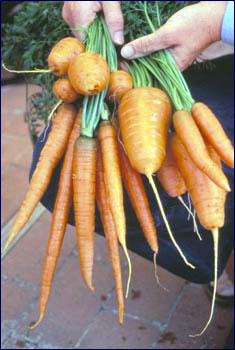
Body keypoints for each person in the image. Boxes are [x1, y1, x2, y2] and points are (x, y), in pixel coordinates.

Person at [30, 0, 234, 327]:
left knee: (211, 176)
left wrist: (219, 20)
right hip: (148, 54)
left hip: (217, 47)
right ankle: (216, 260)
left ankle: (215, 255)